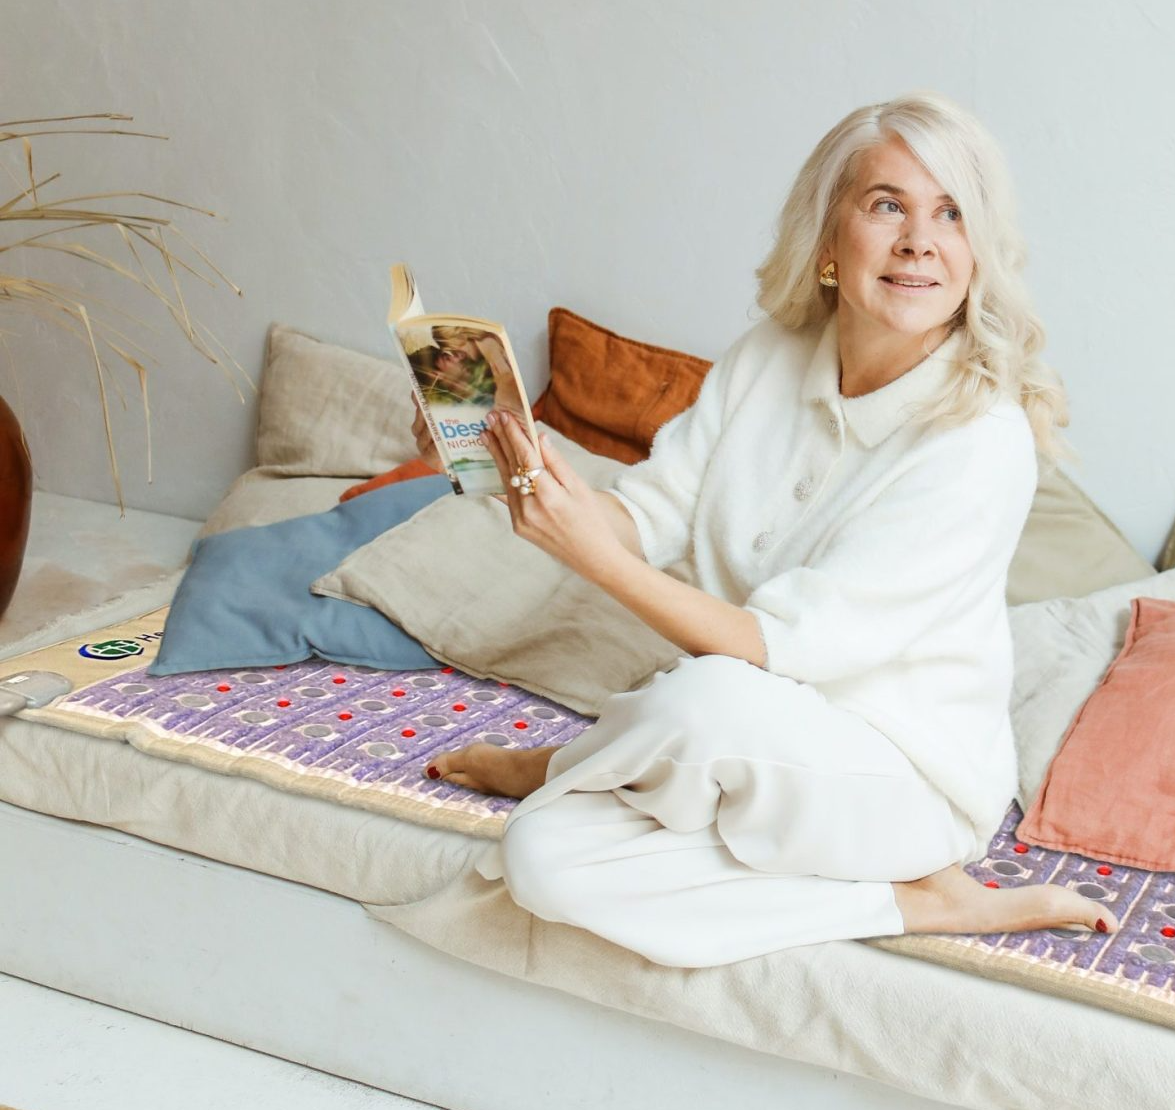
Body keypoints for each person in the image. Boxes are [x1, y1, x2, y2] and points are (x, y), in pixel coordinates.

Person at [415, 89, 1119, 968]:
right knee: (541, 861)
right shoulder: (766, 359)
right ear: (829, 240)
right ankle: (901, 901)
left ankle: (570, 767)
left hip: (895, 780)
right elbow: (646, 515)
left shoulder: (980, 441)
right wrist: (505, 468)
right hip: (739, 745)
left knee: (698, 697)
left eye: (951, 214)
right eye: (886, 205)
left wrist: (592, 561)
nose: (918, 241)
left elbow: (772, 651)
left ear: (977, 252)